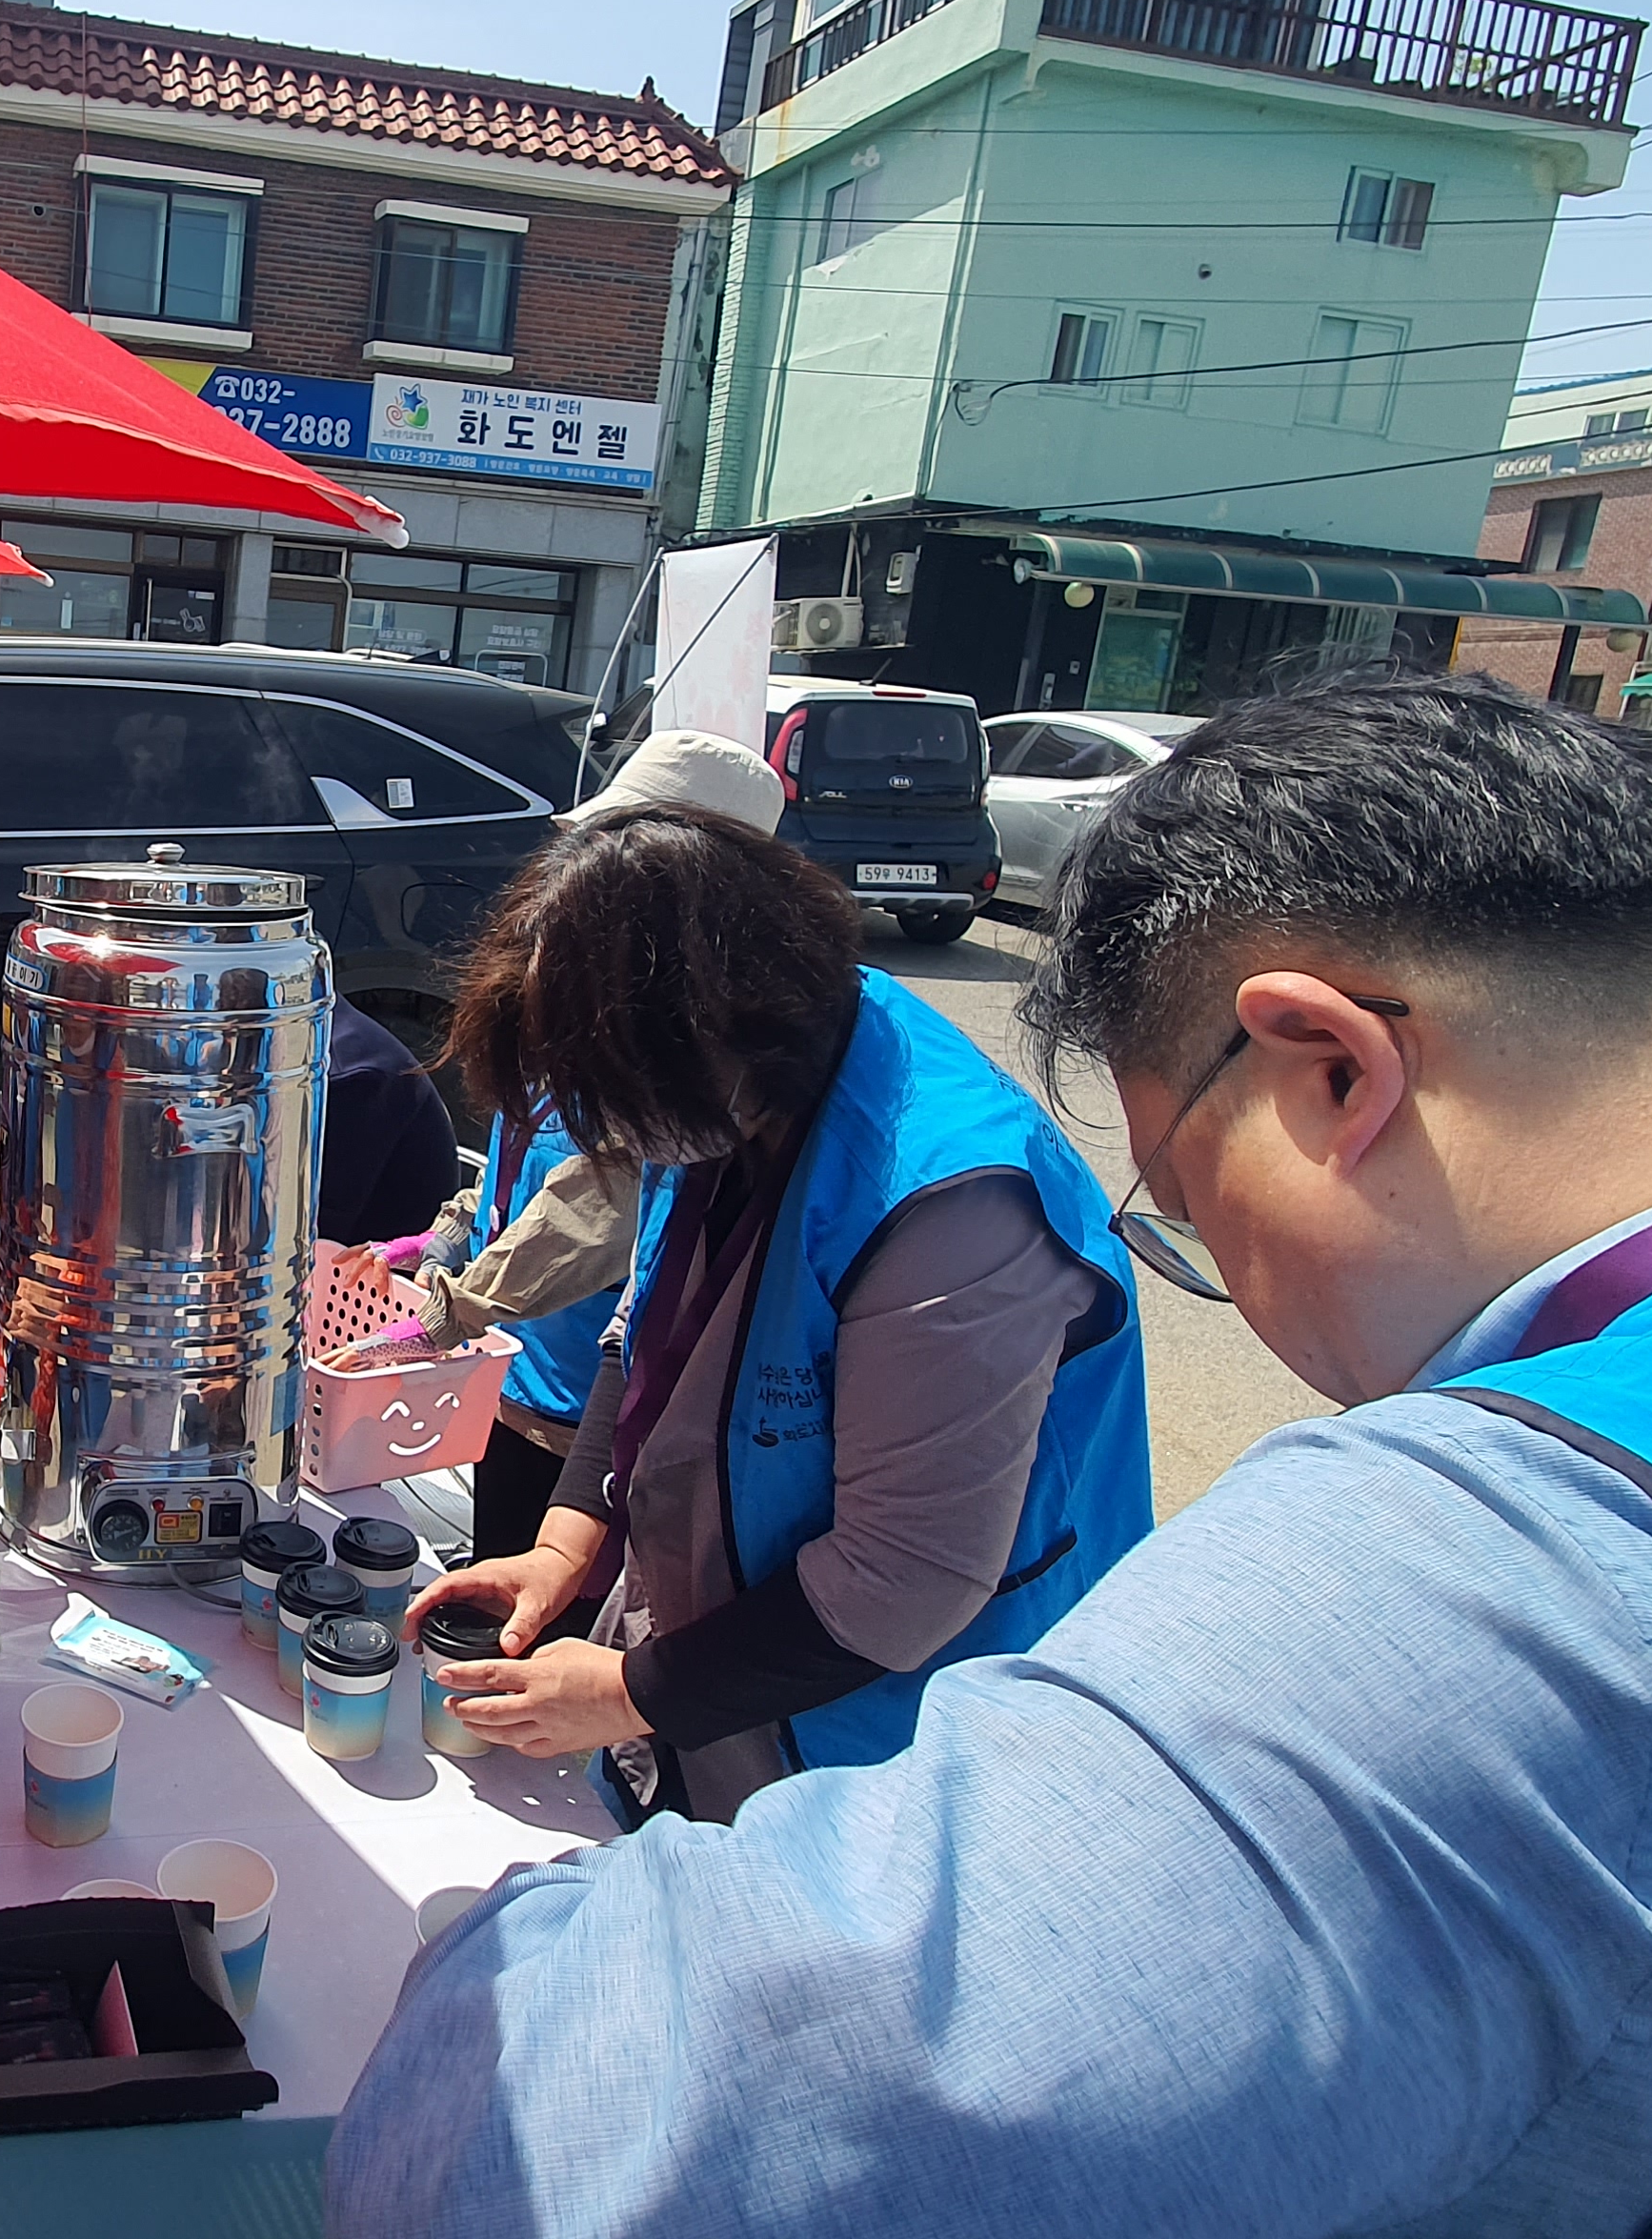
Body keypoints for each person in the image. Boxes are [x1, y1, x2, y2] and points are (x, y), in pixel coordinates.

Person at [327, 675, 1652, 2239]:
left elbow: (544, 2209)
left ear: (1324, 1070)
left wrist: (527, 1928)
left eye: (1190, 1218)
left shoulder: (1499, 1575)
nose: (1257, 1317)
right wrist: (585, 1543)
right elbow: (662, 1336)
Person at [397, 797, 1155, 1824]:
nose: (611, 1143)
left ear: (706, 1035)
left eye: (614, 1107)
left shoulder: (952, 1212)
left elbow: (905, 1579)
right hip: (747, 1657)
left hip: (910, 1732)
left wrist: (631, 1693)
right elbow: (642, 1335)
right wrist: (562, 1550)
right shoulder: (740, 1072)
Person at [367, 729, 791, 1559]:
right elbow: (523, 1160)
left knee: (550, 1602)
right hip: (510, 1380)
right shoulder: (581, 981)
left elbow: (600, 1210)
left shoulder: (698, 1044)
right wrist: (449, 1232)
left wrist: (452, 1313)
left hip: (588, 1415)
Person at [313, 1003, 457, 1248]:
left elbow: (310, 1235)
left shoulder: (347, 1075)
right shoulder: (328, 1034)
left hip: (387, 1263)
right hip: (348, 1252)